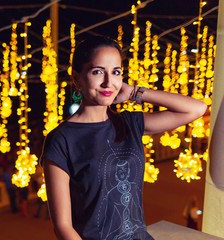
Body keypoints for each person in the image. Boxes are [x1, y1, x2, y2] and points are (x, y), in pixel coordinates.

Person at [41, 36, 207, 240]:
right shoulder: (62, 139)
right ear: (77, 78)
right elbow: (63, 226)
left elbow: (196, 109)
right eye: (98, 71)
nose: (108, 82)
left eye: (116, 72)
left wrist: (135, 93)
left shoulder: (129, 123)